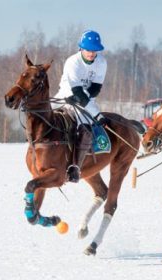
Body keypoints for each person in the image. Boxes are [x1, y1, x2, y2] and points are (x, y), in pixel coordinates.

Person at [54, 30, 108, 182]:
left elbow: (95, 89)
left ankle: (75, 167)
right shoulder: (73, 62)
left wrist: (90, 106)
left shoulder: (101, 63)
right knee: (43, 116)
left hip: (85, 99)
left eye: (94, 50)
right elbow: (76, 91)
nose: (92, 53)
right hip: (65, 96)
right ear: (81, 49)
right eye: (88, 50)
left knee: (86, 129)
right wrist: (97, 114)